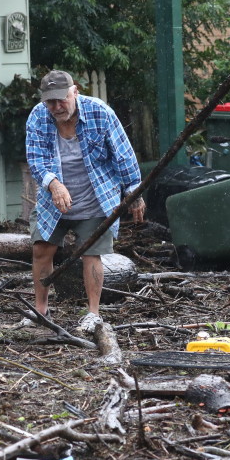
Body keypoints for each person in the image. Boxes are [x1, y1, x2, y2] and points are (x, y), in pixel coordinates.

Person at [25, 69, 145, 334]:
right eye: (51, 102)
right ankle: (40, 311)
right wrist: (54, 184)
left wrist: (133, 190)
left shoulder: (99, 113)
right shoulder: (37, 116)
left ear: (75, 92)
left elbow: (123, 153)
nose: (56, 107)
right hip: (53, 198)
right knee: (42, 249)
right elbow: (36, 160)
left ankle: (93, 314)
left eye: (62, 100)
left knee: (92, 252)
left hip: (95, 196)